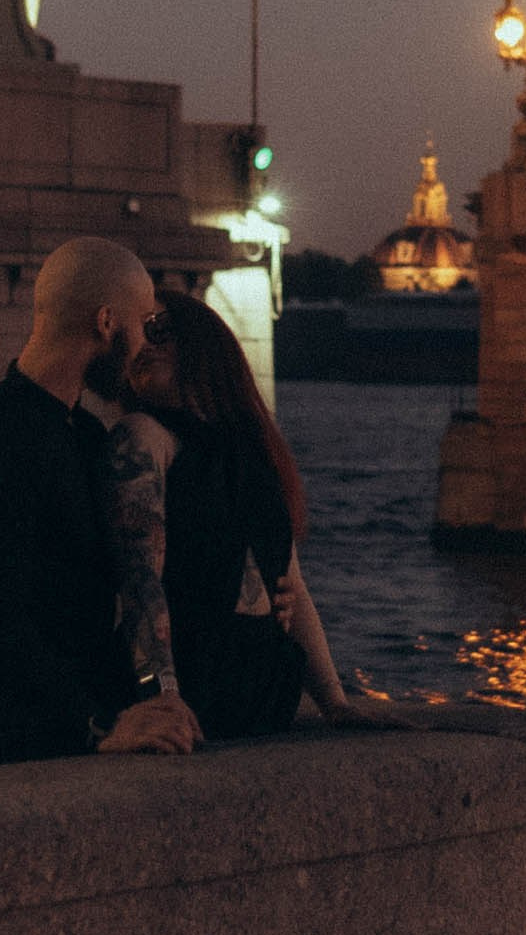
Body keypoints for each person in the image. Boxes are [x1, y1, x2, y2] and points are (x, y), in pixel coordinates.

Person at [0, 236, 202, 769]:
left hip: (62, 728)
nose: (144, 348)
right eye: (144, 326)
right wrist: (97, 725)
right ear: (106, 323)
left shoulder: (81, 432)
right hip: (9, 741)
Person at [110, 288, 391, 738]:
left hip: (264, 692)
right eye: (132, 337)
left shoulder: (250, 452)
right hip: (197, 691)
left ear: (204, 343)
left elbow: (290, 584)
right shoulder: (143, 436)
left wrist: (335, 703)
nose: (144, 347)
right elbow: (140, 579)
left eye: (159, 330)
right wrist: (162, 696)